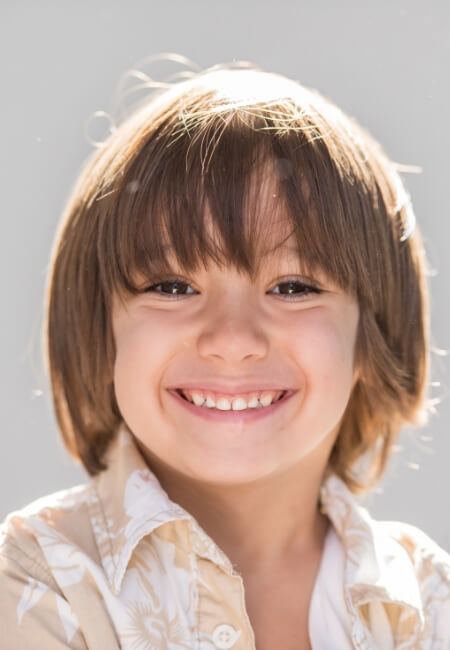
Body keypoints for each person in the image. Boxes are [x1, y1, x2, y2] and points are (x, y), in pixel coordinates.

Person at [1, 61, 449, 650]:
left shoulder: (424, 600)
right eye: (172, 286)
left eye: (294, 288)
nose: (233, 338)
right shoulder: (38, 582)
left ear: (372, 333)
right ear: (101, 323)